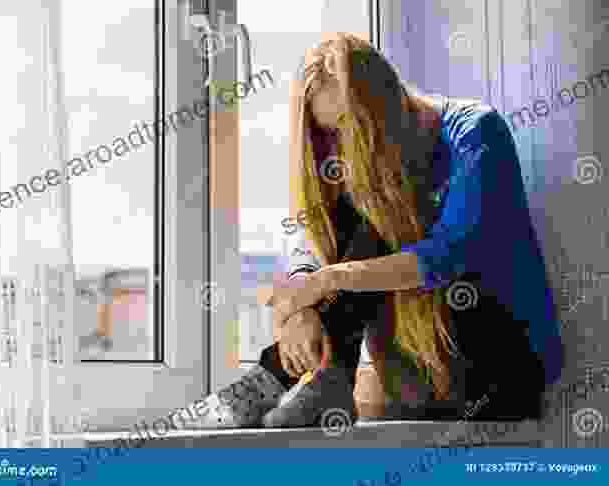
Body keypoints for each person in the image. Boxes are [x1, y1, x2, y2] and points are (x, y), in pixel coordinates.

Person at [160, 33, 563, 430]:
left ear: (382, 110)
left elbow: (449, 255)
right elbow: (311, 234)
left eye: (343, 129)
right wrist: (302, 302)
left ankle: (285, 377)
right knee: (356, 213)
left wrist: (329, 279)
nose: (336, 147)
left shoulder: (475, 131)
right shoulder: (363, 169)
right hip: (417, 375)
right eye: (327, 134)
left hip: (500, 372)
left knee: (374, 215)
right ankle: (320, 377)